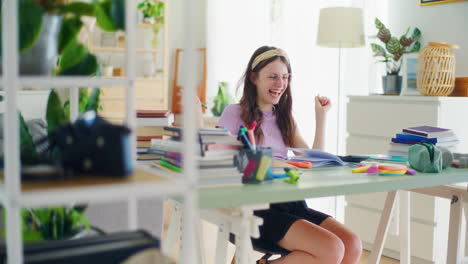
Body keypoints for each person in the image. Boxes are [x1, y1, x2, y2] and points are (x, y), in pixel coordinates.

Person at [217, 46, 362, 264]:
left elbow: (314, 159)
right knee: (331, 249)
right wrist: (263, 163)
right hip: (253, 209)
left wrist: (320, 117)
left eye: (285, 77)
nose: (280, 84)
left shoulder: (284, 119)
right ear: (254, 78)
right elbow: (218, 162)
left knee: (351, 244)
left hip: (290, 204)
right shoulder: (234, 113)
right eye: (273, 77)